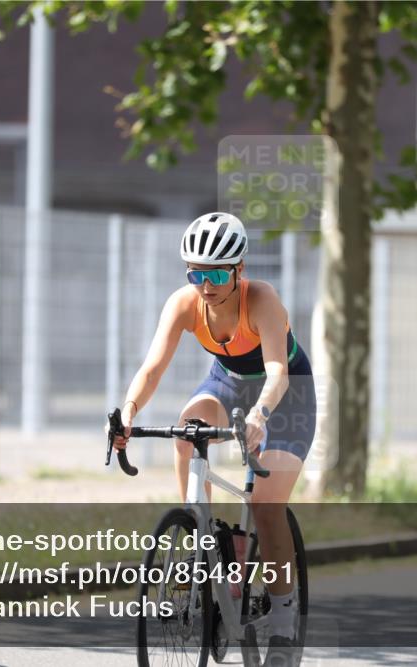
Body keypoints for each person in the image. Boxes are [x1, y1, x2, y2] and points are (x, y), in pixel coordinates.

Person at [110, 212, 316, 645]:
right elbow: (153, 368)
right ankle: (199, 534)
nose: (205, 284)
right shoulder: (184, 303)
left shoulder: (262, 300)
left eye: (217, 273)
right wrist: (128, 410)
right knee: (188, 429)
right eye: (196, 273)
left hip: (285, 395)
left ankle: (282, 614)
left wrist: (260, 415)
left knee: (265, 507)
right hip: (227, 382)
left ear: (239, 271)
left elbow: (277, 370)